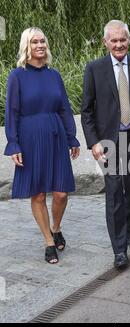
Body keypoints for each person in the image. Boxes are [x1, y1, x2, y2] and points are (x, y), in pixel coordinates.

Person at [81, 20, 130, 269]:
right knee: (115, 192)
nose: (118, 44)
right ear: (106, 42)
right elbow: (87, 111)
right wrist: (93, 142)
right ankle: (119, 249)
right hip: (109, 142)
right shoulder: (95, 69)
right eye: (113, 40)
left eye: (122, 40)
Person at [4, 27, 80, 264]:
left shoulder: (54, 75)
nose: (40, 45)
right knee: (37, 193)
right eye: (35, 41)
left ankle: (56, 227)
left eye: (43, 41)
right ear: (27, 46)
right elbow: (11, 112)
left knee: (61, 192)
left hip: (56, 135)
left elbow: (64, 108)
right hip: (29, 137)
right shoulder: (17, 76)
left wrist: (72, 137)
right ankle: (49, 241)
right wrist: (14, 144)